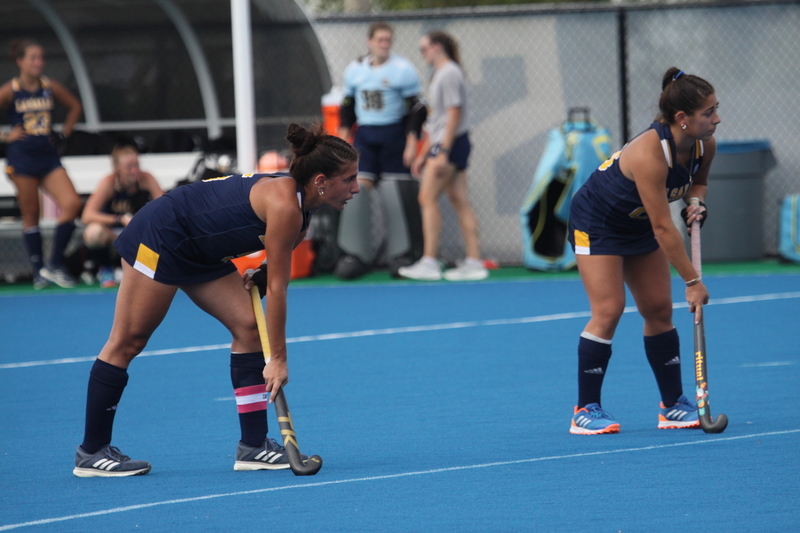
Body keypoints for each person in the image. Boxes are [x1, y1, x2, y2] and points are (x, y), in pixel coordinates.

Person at [72, 124, 359, 477]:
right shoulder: (286, 205)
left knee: (249, 328)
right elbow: (280, 292)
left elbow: (273, 269)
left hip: (200, 250)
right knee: (128, 340)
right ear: (320, 181)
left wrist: (263, 272)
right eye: (349, 179)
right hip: (162, 234)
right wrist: (279, 360)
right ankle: (91, 451)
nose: (356, 188)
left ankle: (253, 446)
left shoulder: (301, 211)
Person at [566, 67, 719, 435]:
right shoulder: (649, 153)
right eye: (708, 113)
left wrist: (696, 202)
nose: (717, 118)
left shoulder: (704, 144)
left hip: (635, 225)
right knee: (609, 309)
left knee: (658, 310)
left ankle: (672, 406)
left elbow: (698, 183)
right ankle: (585, 409)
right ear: (681, 119)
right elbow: (663, 228)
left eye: (716, 109)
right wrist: (692, 281)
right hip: (597, 223)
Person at [335, 21, 427, 279]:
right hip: (365, 134)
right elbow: (347, 106)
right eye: (380, 40)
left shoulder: (403, 69)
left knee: (393, 190)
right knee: (357, 189)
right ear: (370, 41)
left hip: (394, 133)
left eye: (388, 40)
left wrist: (411, 142)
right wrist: (343, 138)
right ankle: (355, 254)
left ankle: (401, 254)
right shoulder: (355, 70)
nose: (384, 44)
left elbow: (415, 110)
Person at [399, 30, 488, 282]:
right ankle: (474, 261)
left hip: (451, 145)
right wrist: (423, 154)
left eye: (424, 48)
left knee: (426, 197)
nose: (422, 54)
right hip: (448, 145)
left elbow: (453, 114)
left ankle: (429, 261)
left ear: (437, 47)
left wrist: (442, 151)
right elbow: (436, 120)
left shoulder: (449, 73)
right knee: (460, 200)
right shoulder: (441, 74)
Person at [0, 38, 83, 288]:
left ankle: (54, 264)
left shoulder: (49, 86)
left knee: (72, 203)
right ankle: (38, 271)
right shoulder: (10, 90)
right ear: (20, 62)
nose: (38, 62)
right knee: (31, 213)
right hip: (21, 157)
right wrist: (6, 136)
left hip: (47, 156)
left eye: (41, 58)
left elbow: (75, 107)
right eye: (33, 58)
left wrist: (64, 133)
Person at [80, 144, 164, 288]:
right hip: (114, 235)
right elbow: (87, 215)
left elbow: (164, 208)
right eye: (129, 166)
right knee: (93, 232)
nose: (135, 170)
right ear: (117, 167)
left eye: (137, 165)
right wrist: (119, 219)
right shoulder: (109, 182)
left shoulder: (146, 179)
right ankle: (106, 269)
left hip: (140, 235)